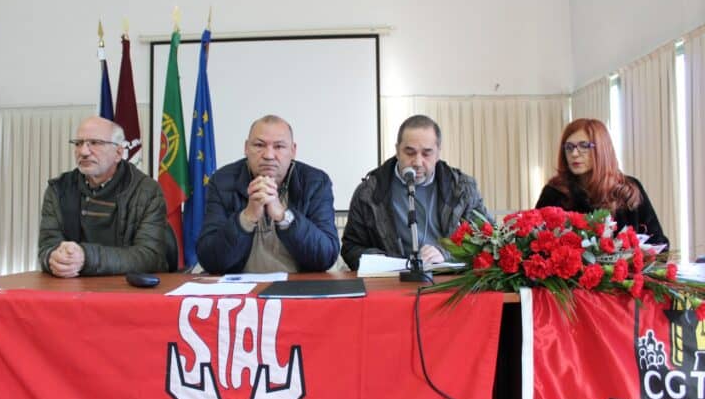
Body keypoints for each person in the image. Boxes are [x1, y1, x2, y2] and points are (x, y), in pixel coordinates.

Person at [341, 114, 491, 271]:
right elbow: (350, 248)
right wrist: (380, 260)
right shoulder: (369, 192)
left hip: (448, 280)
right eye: (410, 152)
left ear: (438, 153)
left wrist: (446, 254)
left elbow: (488, 241)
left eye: (427, 153)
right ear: (397, 151)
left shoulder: (462, 188)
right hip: (392, 282)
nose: (418, 162)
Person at [196, 115, 339, 273]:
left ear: (293, 150)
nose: (269, 155)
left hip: (297, 288)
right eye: (259, 145)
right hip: (240, 290)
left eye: (279, 146)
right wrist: (246, 218)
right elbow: (210, 260)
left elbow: (326, 257)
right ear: (246, 148)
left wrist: (284, 217)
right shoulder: (222, 181)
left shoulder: (316, 182)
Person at [38, 116, 171, 277]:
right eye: (79, 143)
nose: (83, 152)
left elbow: (150, 256)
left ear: (118, 153)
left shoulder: (147, 191)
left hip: (125, 291)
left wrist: (87, 258)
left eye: (95, 143)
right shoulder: (58, 189)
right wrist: (53, 258)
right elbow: (47, 246)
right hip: (71, 289)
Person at [535, 118, 669, 247]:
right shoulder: (554, 192)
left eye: (584, 146)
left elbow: (657, 243)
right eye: (569, 147)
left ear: (602, 148)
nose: (574, 153)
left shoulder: (628, 189)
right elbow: (535, 242)